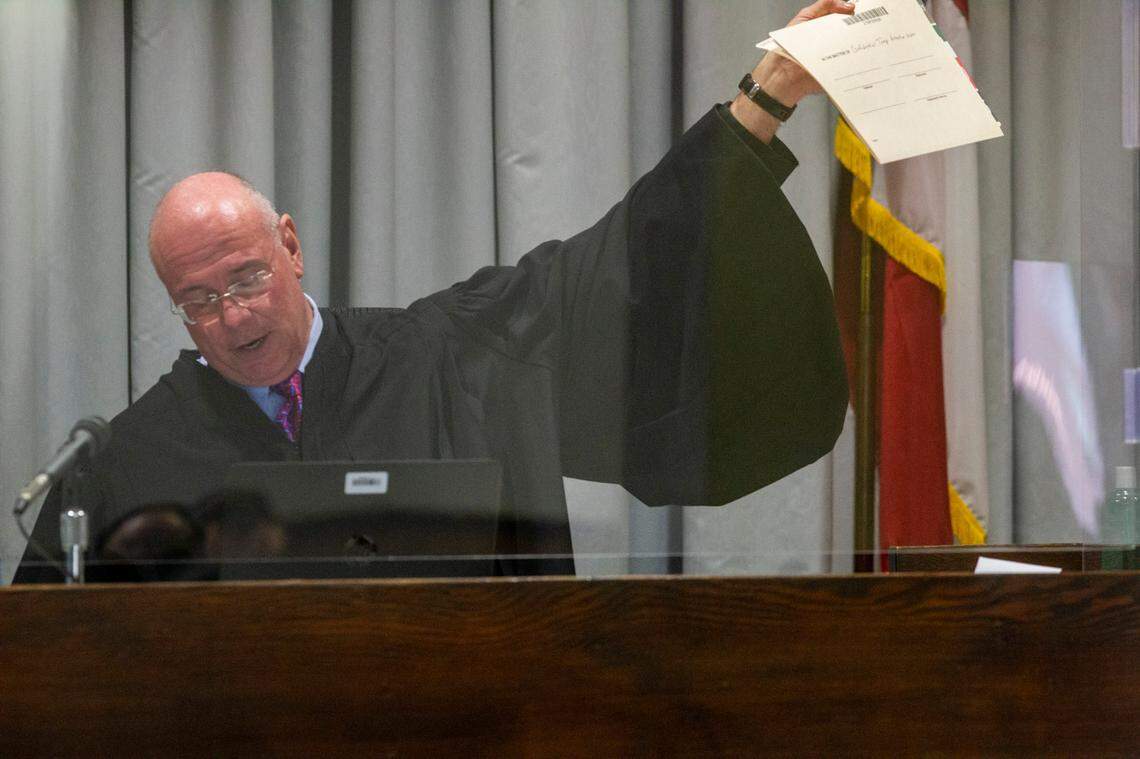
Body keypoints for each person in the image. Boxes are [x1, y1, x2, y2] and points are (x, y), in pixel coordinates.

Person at [18, 0, 853, 581]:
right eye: (198, 300)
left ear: (292, 246)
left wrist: (760, 105)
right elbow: (45, 663)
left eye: (246, 277)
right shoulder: (127, 464)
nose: (232, 317)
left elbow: (622, 264)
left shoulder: (449, 357)